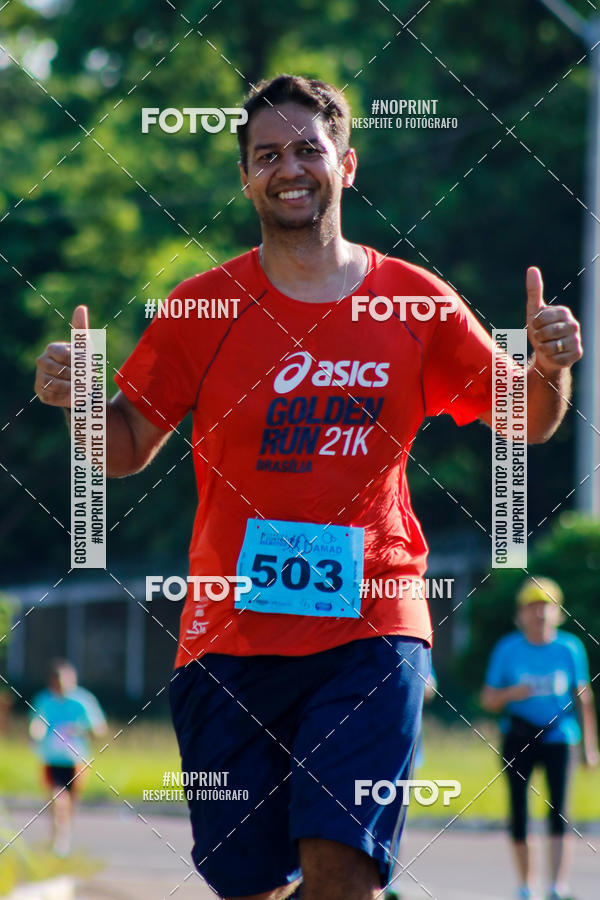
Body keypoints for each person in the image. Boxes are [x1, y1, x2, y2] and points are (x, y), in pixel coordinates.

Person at [35, 74, 583, 900]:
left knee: (343, 871)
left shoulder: (417, 302)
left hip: (374, 623)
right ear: (246, 178)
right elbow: (126, 446)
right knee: (250, 883)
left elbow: (529, 419)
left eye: (307, 149)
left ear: (347, 165)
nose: (288, 167)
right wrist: (80, 404)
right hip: (230, 638)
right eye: (266, 155)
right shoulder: (200, 307)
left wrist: (548, 369)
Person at [481, 577, 598, 900]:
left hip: (560, 735)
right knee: (519, 808)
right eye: (532, 607)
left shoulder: (570, 648)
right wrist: (511, 694)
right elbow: (488, 698)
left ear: (558, 612)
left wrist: (590, 747)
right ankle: (525, 885)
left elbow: (583, 699)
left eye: (546, 606)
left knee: (559, 809)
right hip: (518, 735)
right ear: (521, 614)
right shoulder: (508, 648)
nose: (539, 614)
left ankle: (557, 886)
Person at [29, 659, 107, 857]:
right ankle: (58, 842)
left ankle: (63, 836)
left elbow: (99, 728)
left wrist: (82, 729)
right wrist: (35, 733)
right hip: (51, 759)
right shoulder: (44, 700)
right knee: (57, 799)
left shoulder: (83, 701)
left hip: (76, 761)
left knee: (69, 803)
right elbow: (36, 723)